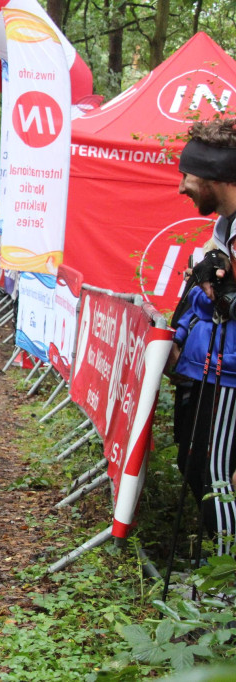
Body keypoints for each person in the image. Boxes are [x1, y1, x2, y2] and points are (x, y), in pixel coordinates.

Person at [171, 117, 236, 555]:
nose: (182, 188)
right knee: (194, 465)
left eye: (188, 176)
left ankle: (226, 580)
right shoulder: (225, 227)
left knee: (216, 471)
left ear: (215, 177)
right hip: (212, 366)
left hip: (232, 374)